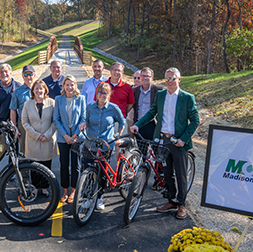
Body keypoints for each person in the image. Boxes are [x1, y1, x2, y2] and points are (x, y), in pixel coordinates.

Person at [130, 67, 199, 220]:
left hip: (179, 141)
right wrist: (138, 124)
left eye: (173, 78)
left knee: (181, 175)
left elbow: (195, 120)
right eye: (167, 78)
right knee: (166, 173)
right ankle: (172, 201)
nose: (170, 81)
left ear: (179, 80)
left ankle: (182, 204)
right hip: (163, 140)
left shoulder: (187, 97)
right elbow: (151, 112)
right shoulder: (161, 95)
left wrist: (184, 139)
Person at [78, 82, 126, 210]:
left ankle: (99, 197)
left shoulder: (113, 108)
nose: (102, 95)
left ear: (109, 94)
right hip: (91, 144)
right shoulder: (90, 107)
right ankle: (88, 198)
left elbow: (122, 121)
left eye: (105, 92)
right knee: (87, 171)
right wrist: (84, 124)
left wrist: (117, 136)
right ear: (97, 93)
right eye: (100, 92)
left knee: (102, 173)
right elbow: (85, 120)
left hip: (106, 144)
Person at [53, 75, 87, 203]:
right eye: (67, 85)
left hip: (77, 139)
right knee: (64, 165)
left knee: (76, 166)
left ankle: (73, 190)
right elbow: (56, 119)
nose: (69, 87)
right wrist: (66, 136)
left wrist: (75, 136)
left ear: (75, 85)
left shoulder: (81, 99)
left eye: (72, 84)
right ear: (63, 86)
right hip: (63, 138)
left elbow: (83, 119)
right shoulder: (58, 99)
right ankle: (65, 190)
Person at [21, 80, 58, 197]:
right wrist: (37, 135)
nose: (39, 91)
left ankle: (45, 187)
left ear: (45, 90)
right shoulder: (27, 104)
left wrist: (47, 135)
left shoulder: (52, 103)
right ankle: (36, 187)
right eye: (36, 89)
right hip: (33, 140)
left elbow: (55, 121)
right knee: (34, 166)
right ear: (33, 91)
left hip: (48, 139)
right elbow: (25, 122)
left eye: (41, 88)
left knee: (47, 165)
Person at [9, 65, 36, 152]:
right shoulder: (17, 91)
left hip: (37, 123)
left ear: (34, 75)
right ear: (22, 76)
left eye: (30, 74)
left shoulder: (39, 89)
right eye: (26, 75)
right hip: (23, 124)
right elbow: (13, 110)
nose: (28, 77)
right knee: (25, 150)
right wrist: (14, 127)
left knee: (37, 149)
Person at [132, 67, 161, 140]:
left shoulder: (158, 91)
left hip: (152, 124)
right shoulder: (134, 91)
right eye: (142, 76)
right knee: (141, 149)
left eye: (147, 76)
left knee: (155, 149)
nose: (145, 78)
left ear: (152, 77)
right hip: (139, 124)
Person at [0, 63, 21, 137]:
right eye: (1, 72)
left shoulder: (18, 87)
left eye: (6, 71)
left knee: (15, 147)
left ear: (10, 73)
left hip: (15, 124)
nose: (4, 74)